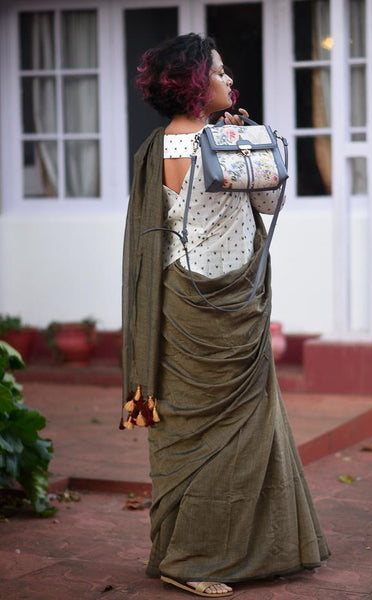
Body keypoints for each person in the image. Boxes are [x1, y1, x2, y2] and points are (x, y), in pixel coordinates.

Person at [121, 33, 330, 598]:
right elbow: (270, 200)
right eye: (217, 70)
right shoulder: (227, 141)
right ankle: (196, 559)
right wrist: (252, 142)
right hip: (228, 306)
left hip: (177, 301)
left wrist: (239, 136)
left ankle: (182, 551)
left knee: (189, 430)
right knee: (233, 437)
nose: (227, 76)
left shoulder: (156, 148)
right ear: (194, 84)